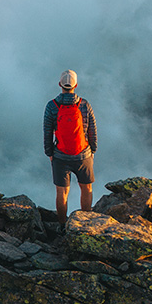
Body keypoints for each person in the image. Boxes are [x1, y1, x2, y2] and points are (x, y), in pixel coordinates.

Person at [43, 69, 97, 220]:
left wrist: (50, 153)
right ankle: (85, 222)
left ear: (60, 84)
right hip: (83, 154)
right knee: (86, 189)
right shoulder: (84, 105)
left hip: (60, 155)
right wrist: (92, 150)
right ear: (76, 85)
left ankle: (62, 225)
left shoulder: (52, 106)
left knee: (62, 193)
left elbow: (47, 132)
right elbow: (92, 130)